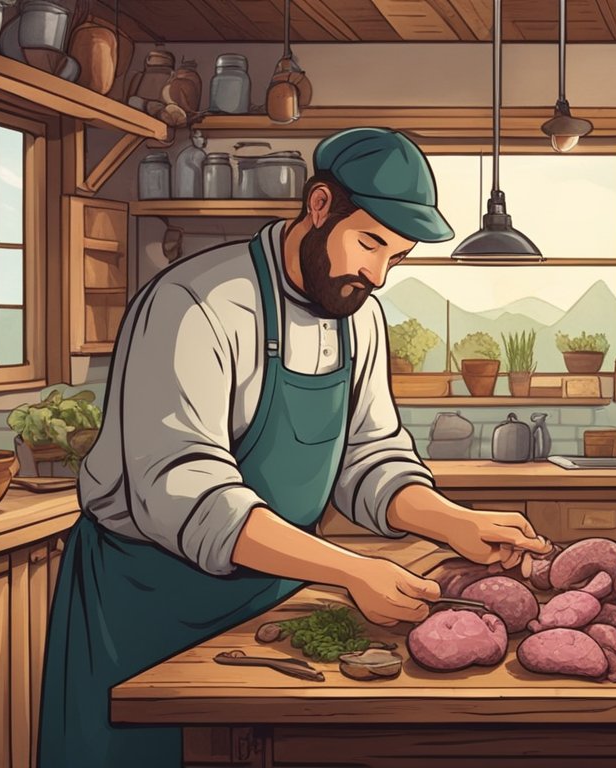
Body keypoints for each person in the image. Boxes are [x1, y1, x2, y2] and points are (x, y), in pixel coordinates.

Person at [38, 127, 552, 767]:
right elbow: (186, 493)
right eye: (369, 244)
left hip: (274, 598)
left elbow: (369, 459)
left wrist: (455, 522)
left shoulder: (357, 314)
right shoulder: (196, 303)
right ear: (319, 206)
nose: (378, 274)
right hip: (147, 607)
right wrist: (353, 569)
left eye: (396, 257)